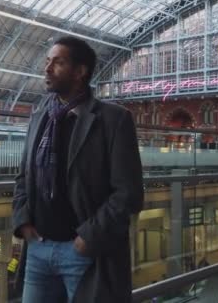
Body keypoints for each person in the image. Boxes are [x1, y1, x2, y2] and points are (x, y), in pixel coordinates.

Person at [12, 36, 144, 303]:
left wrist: (88, 238)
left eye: (58, 63)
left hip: (85, 252)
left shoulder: (113, 119)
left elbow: (128, 193)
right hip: (38, 248)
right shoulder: (40, 118)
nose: (47, 69)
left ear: (80, 72)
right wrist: (23, 221)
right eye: (47, 61)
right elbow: (23, 177)